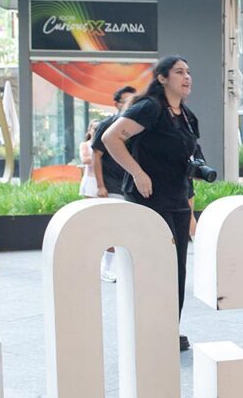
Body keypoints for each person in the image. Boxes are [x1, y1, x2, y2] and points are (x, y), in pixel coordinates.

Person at [102, 57, 206, 353]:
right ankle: (147, 328)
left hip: (178, 199)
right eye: (179, 72)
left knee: (177, 269)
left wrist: (192, 197)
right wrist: (137, 173)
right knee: (153, 266)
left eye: (189, 72)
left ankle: (169, 329)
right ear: (162, 78)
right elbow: (111, 138)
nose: (187, 77)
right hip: (148, 199)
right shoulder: (149, 107)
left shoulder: (187, 115)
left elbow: (190, 158)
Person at [91, 86, 136, 282]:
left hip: (131, 184)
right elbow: (96, 155)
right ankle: (106, 267)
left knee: (127, 227)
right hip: (112, 184)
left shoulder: (136, 126)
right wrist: (100, 185)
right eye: (126, 101)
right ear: (117, 104)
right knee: (113, 227)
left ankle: (124, 267)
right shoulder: (106, 125)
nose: (130, 105)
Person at [78, 120, 100, 198]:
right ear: (90, 130)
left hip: (105, 181)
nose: (96, 131)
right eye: (95, 129)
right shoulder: (85, 145)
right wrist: (99, 156)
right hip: (90, 180)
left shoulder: (105, 144)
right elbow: (85, 160)